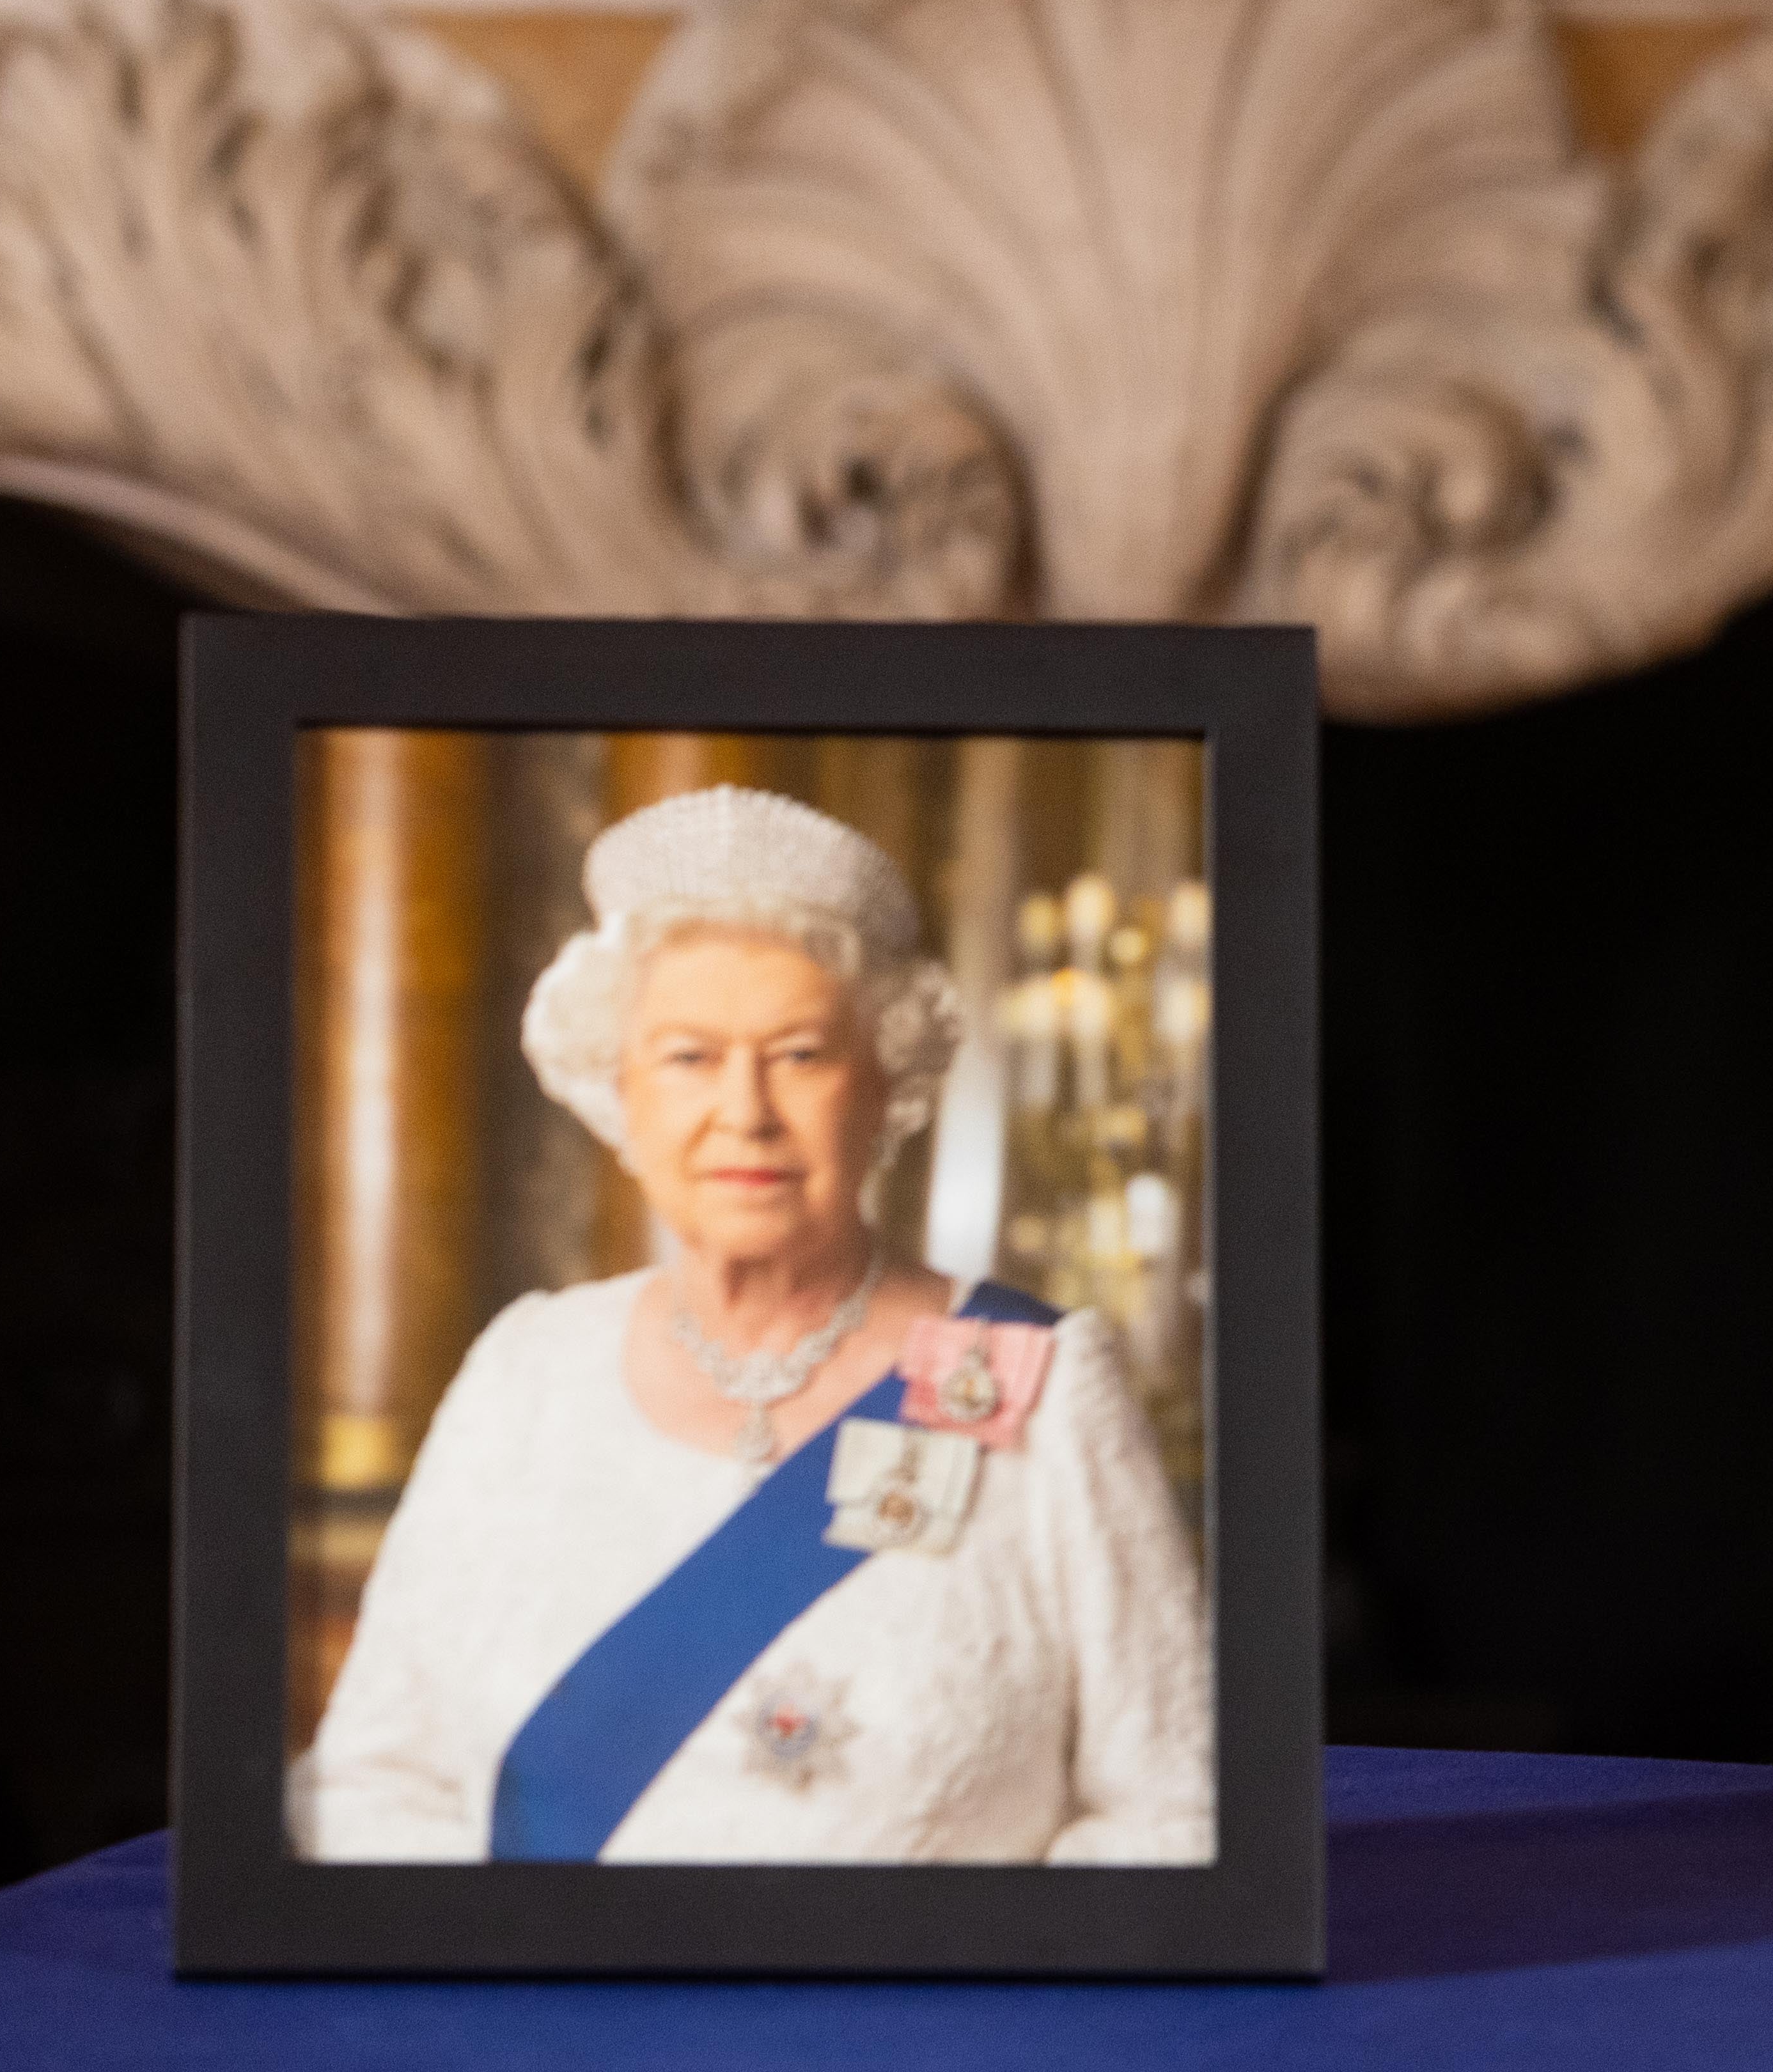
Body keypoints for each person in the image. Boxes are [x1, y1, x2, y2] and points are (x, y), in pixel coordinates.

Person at [290, 786, 1214, 1864]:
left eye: (801, 1055)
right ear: (620, 1093)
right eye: (689, 1057)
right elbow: (373, 1780)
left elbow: (1172, 1812)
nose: (745, 1112)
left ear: (886, 1090)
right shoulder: (526, 1373)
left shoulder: (1034, 1380)